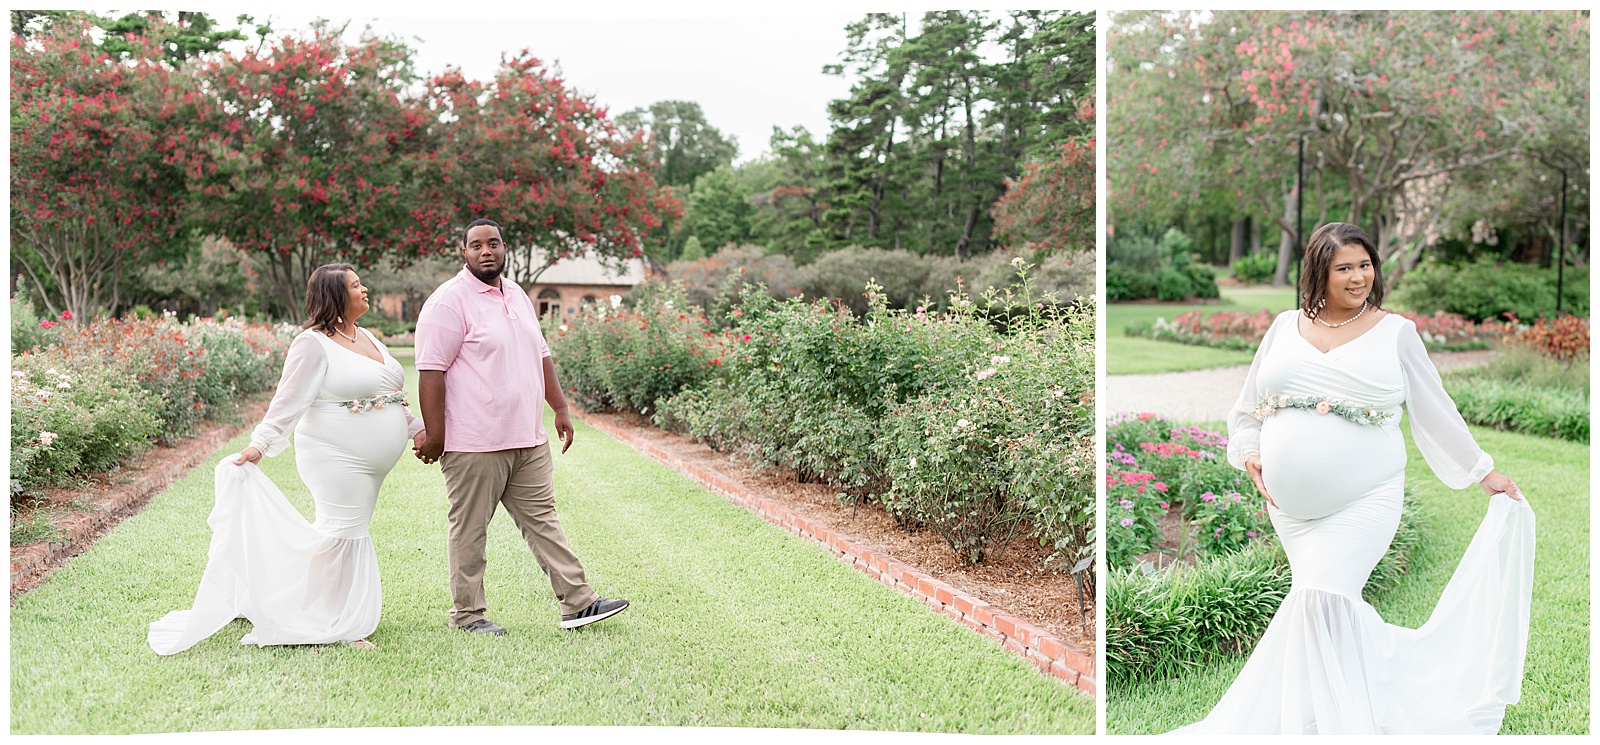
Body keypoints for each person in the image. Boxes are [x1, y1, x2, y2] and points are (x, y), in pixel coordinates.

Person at [1174, 222, 1535, 735]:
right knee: (1318, 604)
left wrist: (1483, 472)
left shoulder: (1396, 333)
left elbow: (1436, 411)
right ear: (1319, 272)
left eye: (1365, 265)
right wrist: (1251, 451)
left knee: (1325, 597)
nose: (1358, 276)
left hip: (1365, 499)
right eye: (1344, 267)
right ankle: (1321, 713)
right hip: (1291, 511)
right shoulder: (1283, 326)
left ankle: (1341, 722)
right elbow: (1248, 405)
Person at [150, 264, 425, 655]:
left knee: (343, 532)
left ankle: (308, 606)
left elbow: (388, 397)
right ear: (335, 296)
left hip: (370, 465)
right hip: (334, 456)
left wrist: (415, 429)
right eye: (356, 285)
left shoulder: (367, 337)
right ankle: (336, 621)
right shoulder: (312, 343)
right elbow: (289, 400)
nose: (366, 289)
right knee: (343, 531)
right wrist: (260, 445)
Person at [412, 218, 628, 634]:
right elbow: (430, 372)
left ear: (505, 248)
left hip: (527, 438)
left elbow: (540, 354)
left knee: (544, 521)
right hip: (475, 443)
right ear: (464, 253)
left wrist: (560, 408)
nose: (486, 251)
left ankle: (579, 604)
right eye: (476, 245)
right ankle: (468, 615)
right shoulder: (448, 302)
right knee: (471, 531)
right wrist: (436, 435)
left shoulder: (517, 295)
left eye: (493, 243)